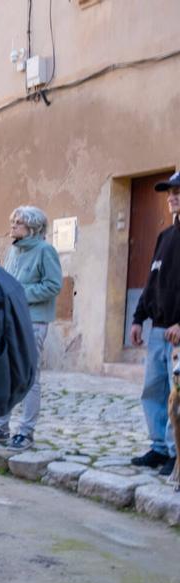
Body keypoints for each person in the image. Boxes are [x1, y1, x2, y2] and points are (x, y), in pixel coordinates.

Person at [0, 205, 63, 450]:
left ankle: (26, 431)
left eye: (18, 222)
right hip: (9, 318)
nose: (13, 226)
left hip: (34, 320)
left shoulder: (45, 251)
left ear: (33, 227)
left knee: (29, 376)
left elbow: (53, 285)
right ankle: (0, 427)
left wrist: (18, 294)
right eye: (13, 221)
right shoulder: (13, 251)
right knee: (4, 372)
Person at [129, 171, 180, 475]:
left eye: (177, 191)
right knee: (153, 390)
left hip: (177, 332)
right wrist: (138, 318)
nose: (172, 196)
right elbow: (152, 281)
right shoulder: (165, 236)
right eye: (170, 192)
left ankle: (177, 453)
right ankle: (159, 448)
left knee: (178, 396)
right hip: (158, 329)